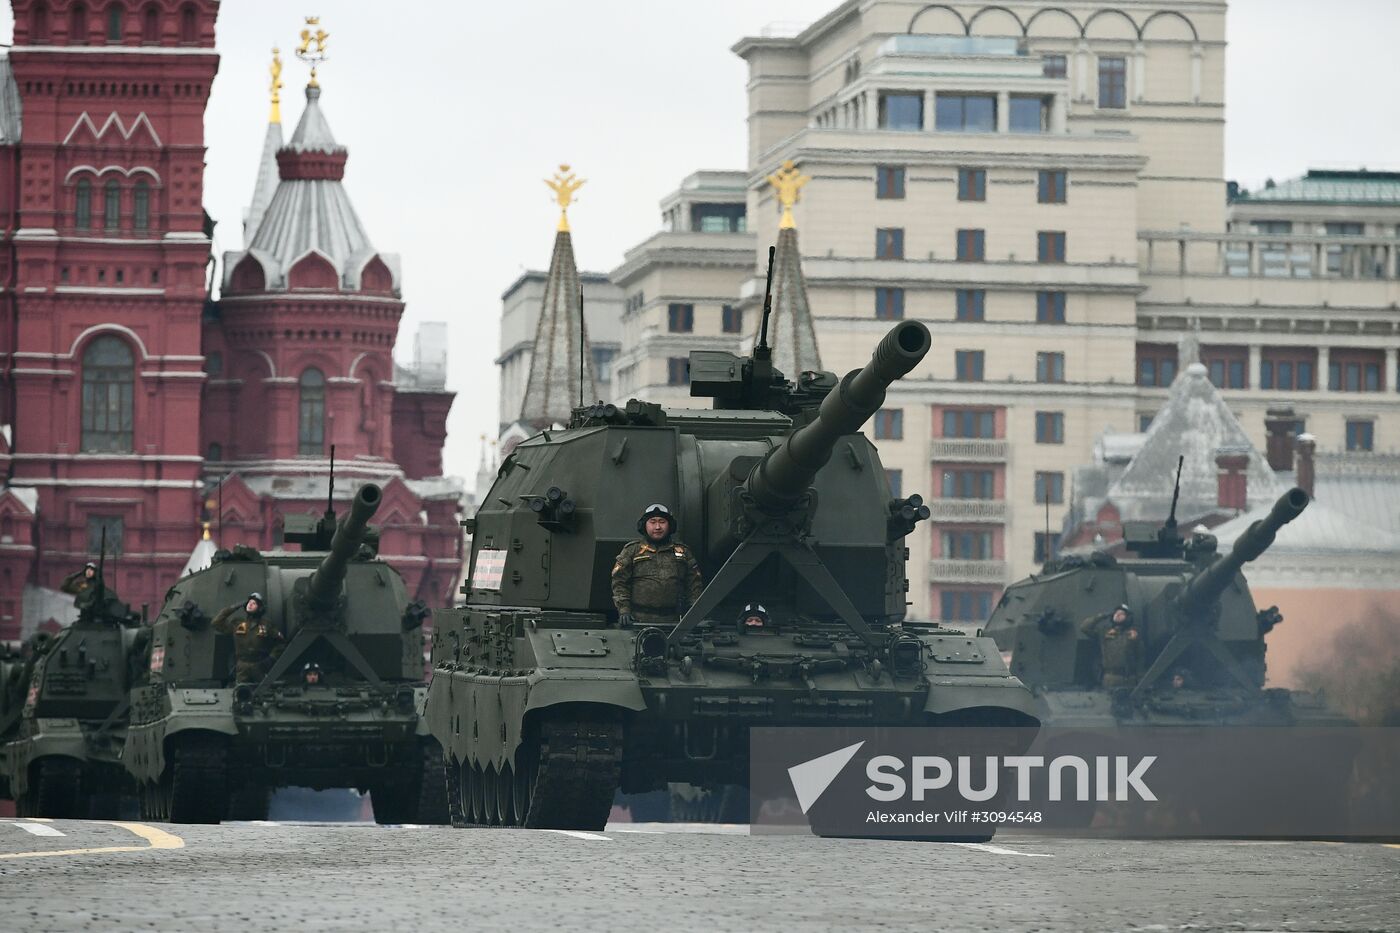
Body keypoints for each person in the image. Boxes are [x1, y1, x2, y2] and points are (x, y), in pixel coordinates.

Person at [610, 503, 703, 627]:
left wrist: (695, 613)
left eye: (662, 522)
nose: (658, 527)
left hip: (675, 621)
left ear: (670, 525)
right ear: (645, 525)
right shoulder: (632, 550)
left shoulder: (683, 551)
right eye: (652, 522)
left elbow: (694, 584)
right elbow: (619, 582)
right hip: (638, 620)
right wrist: (624, 611)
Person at [211, 592, 286, 684]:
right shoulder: (237, 623)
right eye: (249, 602)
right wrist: (233, 607)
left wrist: (271, 659)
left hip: (259, 665)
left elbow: (281, 643)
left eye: (254, 603)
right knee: (241, 692)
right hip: (242, 665)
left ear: (260, 608)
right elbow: (216, 622)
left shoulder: (266, 625)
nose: (250, 604)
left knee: (264, 691)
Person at [1079, 603, 1144, 689]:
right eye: (1116, 613)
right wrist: (1102, 616)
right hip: (1111, 678)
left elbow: (1141, 657)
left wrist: (1140, 679)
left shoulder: (1133, 634)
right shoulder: (1104, 632)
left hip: (1130, 679)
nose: (1117, 615)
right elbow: (1084, 627)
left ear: (1128, 617)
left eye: (1121, 614)